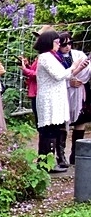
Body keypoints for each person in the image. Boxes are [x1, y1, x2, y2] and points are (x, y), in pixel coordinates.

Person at [34, 29, 89, 173]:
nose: (59, 45)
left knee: (53, 129)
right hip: (49, 99)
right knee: (49, 130)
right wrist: (74, 65)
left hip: (55, 98)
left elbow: (64, 75)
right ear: (49, 43)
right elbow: (59, 75)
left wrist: (76, 69)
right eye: (57, 42)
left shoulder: (51, 56)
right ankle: (47, 163)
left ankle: (47, 162)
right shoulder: (46, 57)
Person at [56, 32, 91, 166]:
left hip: (81, 91)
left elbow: (87, 71)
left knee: (80, 121)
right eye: (64, 44)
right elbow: (57, 77)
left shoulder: (78, 55)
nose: (67, 47)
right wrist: (69, 82)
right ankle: (61, 156)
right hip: (63, 92)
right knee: (62, 123)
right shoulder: (55, 58)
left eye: (70, 43)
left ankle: (76, 154)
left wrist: (80, 78)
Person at [21, 55, 38, 125]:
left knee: (39, 115)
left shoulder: (45, 58)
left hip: (38, 91)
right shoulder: (40, 57)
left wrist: (25, 69)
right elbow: (34, 71)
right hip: (35, 90)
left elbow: (37, 74)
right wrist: (27, 65)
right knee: (37, 114)